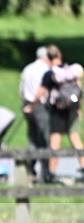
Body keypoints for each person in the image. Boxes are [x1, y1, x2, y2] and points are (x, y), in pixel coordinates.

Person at [34, 46, 84, 183]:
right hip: (72, 109)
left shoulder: (51, 74)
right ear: (60, 56)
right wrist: (78, 108)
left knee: (55, 140)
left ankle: (51, 173)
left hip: (58, 110)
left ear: (48, 58)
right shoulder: (70, 71)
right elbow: (78, 90)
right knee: (75, 138)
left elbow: (41, 92)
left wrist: (30, 105)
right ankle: (83, 166)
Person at [19, 46, 51, 183]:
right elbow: (42, 90)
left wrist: (27, 105)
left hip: (27, 104)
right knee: (44, 139)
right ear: (45, 57)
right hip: (39, 105)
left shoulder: (27, 68)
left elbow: (21, 91)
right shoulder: (45, 69)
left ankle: (30, 171)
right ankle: (45, 174)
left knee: (32, 139)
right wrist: (34, 105)